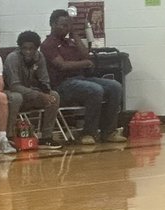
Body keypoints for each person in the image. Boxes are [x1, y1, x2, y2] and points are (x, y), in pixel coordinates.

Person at [42, 9, 126, 144]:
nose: (66, 28)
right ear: (52, 24)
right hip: (62, 84)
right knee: (95, 90)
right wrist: (85, 63)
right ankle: (88, 133)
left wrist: (75, 35)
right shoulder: (48, 44)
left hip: (80, 79)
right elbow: (62, 65)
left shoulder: (70, 42)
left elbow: (86, 55)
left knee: (115, 86)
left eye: (68, 25)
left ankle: (109, 131)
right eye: (63, 25)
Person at [4, 30, 63, 147]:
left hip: (30, 93)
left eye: (31, 49)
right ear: (19, 47)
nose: (28, 51)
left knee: (54, 96)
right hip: (10, 93)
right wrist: (39, 95)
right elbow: (14, 86)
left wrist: (46, 93)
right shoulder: (12, 58)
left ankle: (46, 137)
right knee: (16, 97)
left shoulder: (39, 57)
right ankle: (9, 137)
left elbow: (45, 81)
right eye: (24, 48)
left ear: (36, 48)